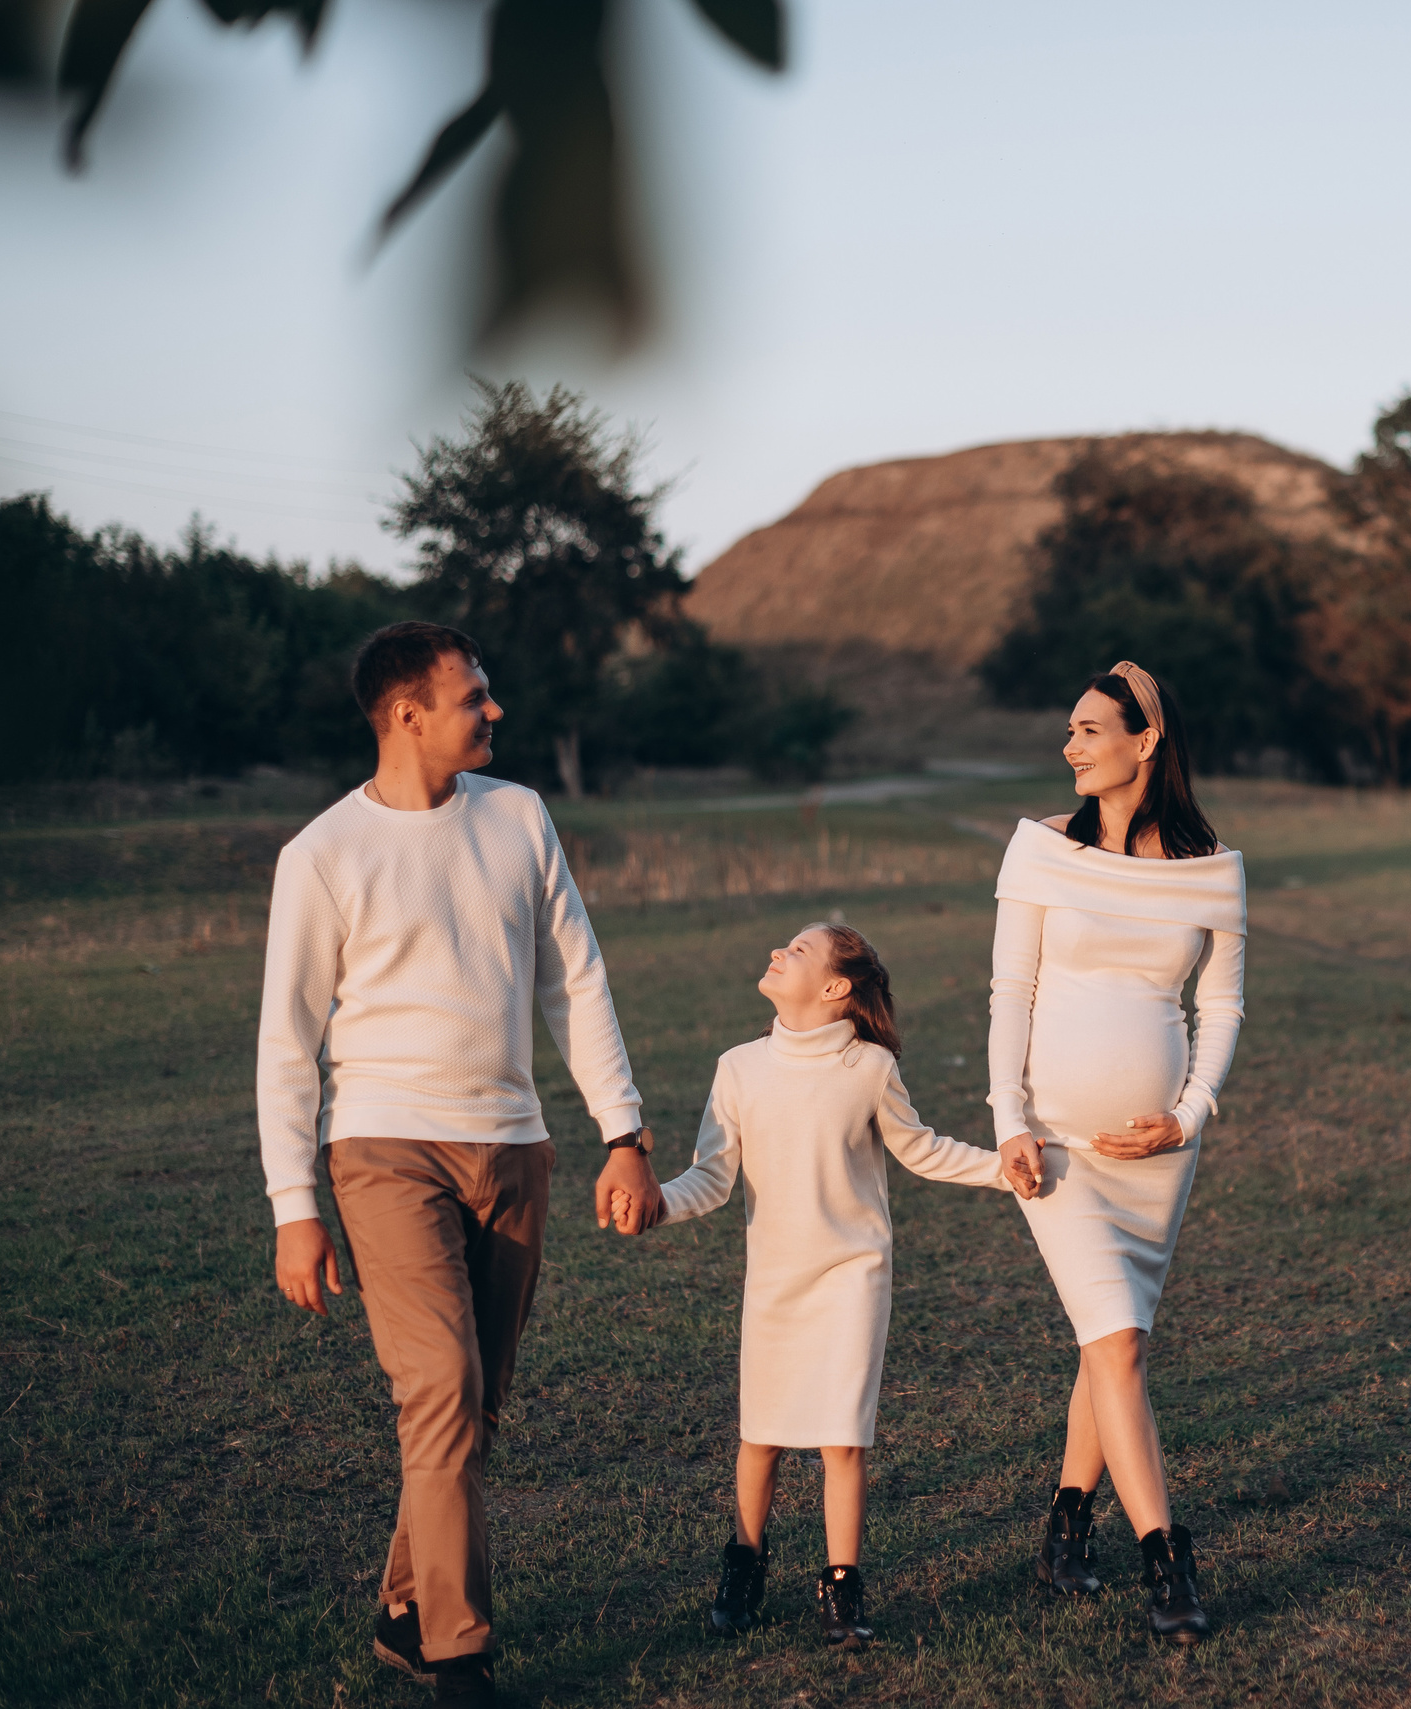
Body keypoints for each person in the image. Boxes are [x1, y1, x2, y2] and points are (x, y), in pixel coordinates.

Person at [257, 622, 661, 1709]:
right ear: (407, 714)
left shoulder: (519, 815)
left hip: (515, 1144)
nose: (494, 713)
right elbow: (287, 1043)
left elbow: (574, 978)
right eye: (474, 697)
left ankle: (405, 1609)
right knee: (439, 1387)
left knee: (471, 1407)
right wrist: (297, 1205)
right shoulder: (323, 853)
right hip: (384, 1148)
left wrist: (622, 1131)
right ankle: (462, 1660)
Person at [605, 922, 1012, 1649]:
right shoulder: (738, 1067)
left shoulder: (869, 1068)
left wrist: (1001, 1166)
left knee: (841, 1439)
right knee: (760, 1437)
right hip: (776, 1283)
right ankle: (744, 1566)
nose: (776, 952)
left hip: (853, 1277)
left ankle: (841, 1589)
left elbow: (921, 1148)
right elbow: (713, 1175)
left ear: (833, 987)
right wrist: (660, 1202)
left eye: (797, 950)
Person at [990, 660, 1246, 1643]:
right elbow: (1009, 992)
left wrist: (1188, 1113)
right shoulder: (1042, 848)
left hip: (1158, 1153)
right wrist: (1008, 1115)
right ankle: (1165, 1556)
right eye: (1069, 729)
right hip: (1055, 1140)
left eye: (1091, 728)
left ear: (1146, 741)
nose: (1070, 745)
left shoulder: (1210, 863)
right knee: (1118, 1343)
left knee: (1115, 1338)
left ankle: (1065, 1516)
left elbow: (1218, 1003)